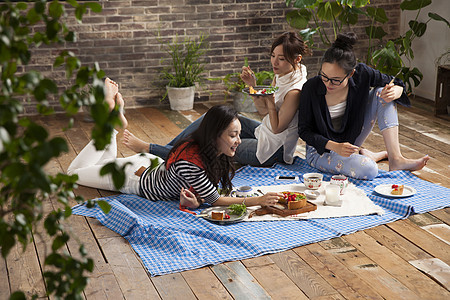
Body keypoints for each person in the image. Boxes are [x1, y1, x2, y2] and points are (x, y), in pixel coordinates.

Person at [67, 79, 283, 208]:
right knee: (73, 173)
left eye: (238, 134)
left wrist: (196, 201)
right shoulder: (193, 161)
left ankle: (112, 124)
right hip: (131, 177)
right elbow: (216, 200)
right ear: (215, 135)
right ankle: (110, 126)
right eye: (233, 135)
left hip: (146, 166)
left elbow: (203, 191)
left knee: (103, 163)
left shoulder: (210, 152)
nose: (239, 141)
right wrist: (259, 200)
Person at [123, 31, 309, 167]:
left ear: (297, 58)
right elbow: (263, 112)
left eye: (281, 59)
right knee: (214, 116)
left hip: (271, 151)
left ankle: (151, 150)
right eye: (273, 56)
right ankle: (165, 151)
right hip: (264, 132)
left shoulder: (295, 91)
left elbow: (277, 128)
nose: (274, 63)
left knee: (215, 143)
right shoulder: (283, 74)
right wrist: (253, 86)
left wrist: (269, 100)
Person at [297, 32, 429, 180]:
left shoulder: (362, 73)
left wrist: (398, 90)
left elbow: (394, 82)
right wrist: (335, 147)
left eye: (335, 80)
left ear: (351, 73)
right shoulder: (311, 88)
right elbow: (304, 131)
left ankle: (396, 159)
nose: (328, 83)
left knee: (382, 92)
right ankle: (363, 154)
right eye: (324, 76)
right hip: (322, 151)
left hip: (350, 141)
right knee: (369, 169)